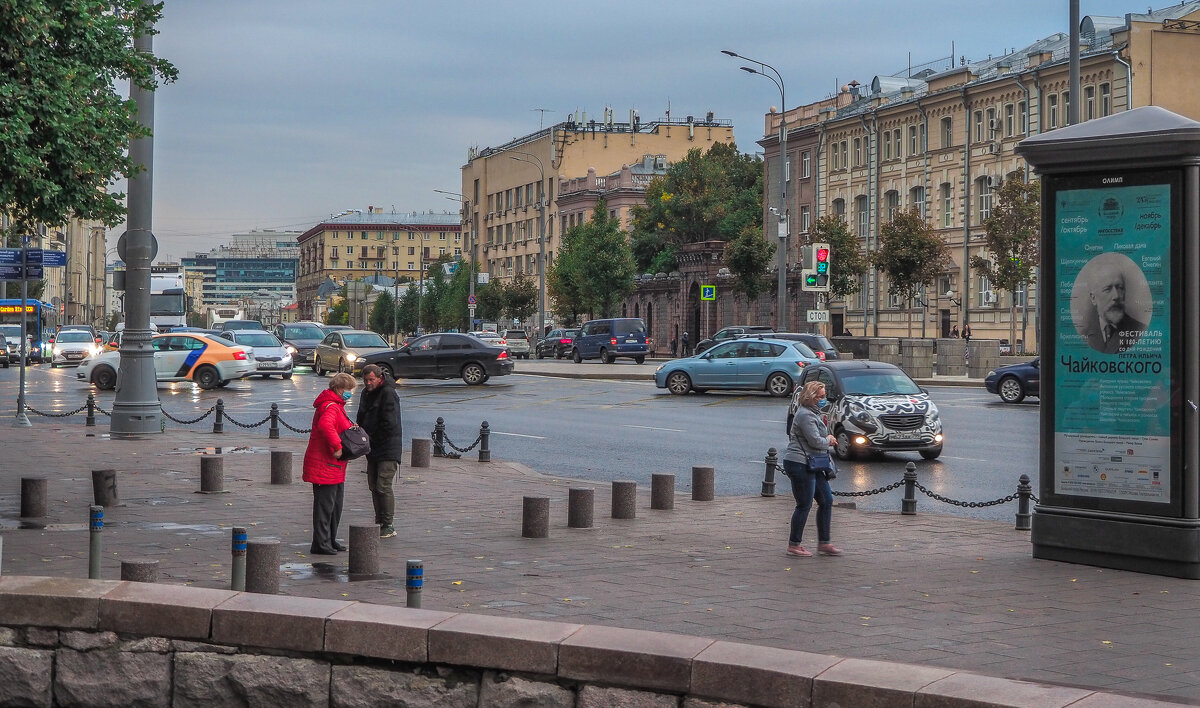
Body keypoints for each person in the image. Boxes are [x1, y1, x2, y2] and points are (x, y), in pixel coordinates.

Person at [780, 381, 842, 558]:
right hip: (800, 463)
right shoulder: (805, 415)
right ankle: (794, 545)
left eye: (824, 396)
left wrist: (826, 437)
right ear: (811, 397)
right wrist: (829, 440)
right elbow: (815, 441)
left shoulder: (813, 413)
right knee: (804, 504)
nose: (824, 399)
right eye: (820, 396)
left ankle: (824, 543)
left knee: (826, 499)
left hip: (812, 463)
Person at [302, 372, 356, 555]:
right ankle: (321, 543)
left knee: (335, 505)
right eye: (348, 390)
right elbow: (326, 426)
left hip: (334, 466)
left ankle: (330, 540)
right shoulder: (331, 406)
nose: (350, 394)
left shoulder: (337, 405)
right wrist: (337, 446)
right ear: (339, 389)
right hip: (325, 464)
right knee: (325, 506)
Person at [357, 364, 403, 539]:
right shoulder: (366, 393)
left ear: (379, 378)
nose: (368, 383)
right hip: (372, 446)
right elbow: (361, 416)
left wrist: (370, 435)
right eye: (365, 380)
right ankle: (380, 521)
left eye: (371, 380)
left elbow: (389, 423)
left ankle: (388, 524)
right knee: (373, 486)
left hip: (388, 446)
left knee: (383, 485)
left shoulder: (388, 393)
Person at [1081, 262, 1147, 354]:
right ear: (1093, 298)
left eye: (1120, 288)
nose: (1116, 296)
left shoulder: (1141, 331)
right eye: (1107, 289)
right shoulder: (1082, 335)